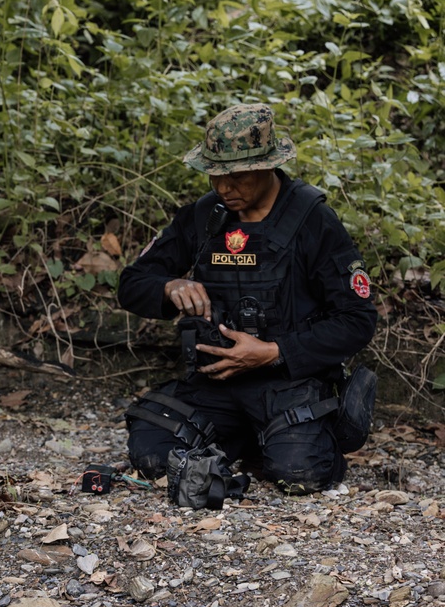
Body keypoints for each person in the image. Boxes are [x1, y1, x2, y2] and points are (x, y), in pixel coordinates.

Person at [117, 103, 377, 495]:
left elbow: (357, 319)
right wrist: (169, 287)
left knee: (299, 474)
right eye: (216, 175)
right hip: (214, 385)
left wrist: (273, 351)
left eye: (237, 177)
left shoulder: (313, 221)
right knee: (152, 456)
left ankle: (307, 434)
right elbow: (132, 283)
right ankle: (251, 439)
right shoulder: (205, 216)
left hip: (288, 385)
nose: (224, 188)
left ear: (268, 166)